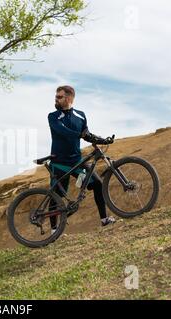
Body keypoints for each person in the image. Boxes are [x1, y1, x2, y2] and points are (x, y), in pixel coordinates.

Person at [48, 85, 116, 233]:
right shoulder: (52, 116)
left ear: (69, 98)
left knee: (98, 184)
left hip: (76, 161)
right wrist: (81, 134)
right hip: (59, 163)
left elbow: (86, 135)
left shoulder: (80, 115)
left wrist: (103, 140)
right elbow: (63, 132)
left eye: (59, 97)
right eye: (56, 96)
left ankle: (104, 220)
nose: (56, 99)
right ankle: (54, 231)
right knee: (56, 196)